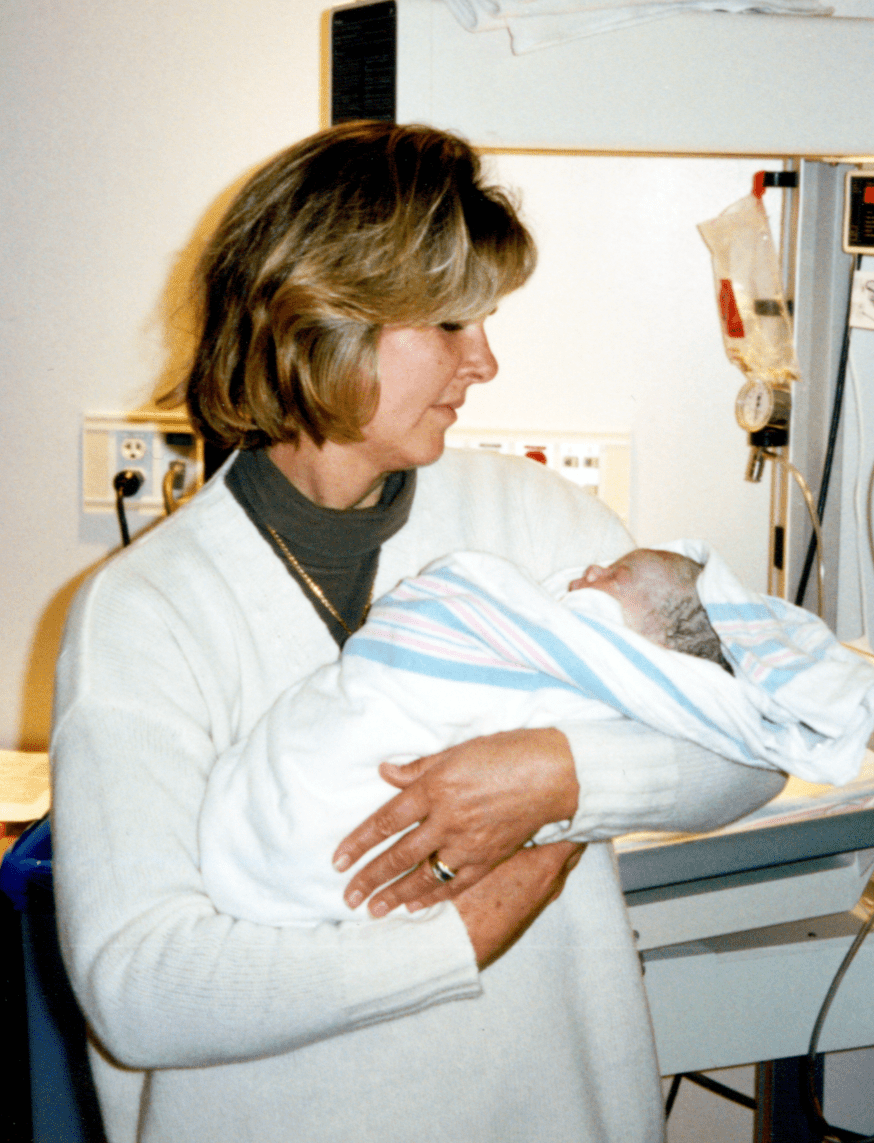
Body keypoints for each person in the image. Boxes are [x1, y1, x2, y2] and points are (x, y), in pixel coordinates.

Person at [51, 121, 785, 1143]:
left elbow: (754, 743)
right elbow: (142, 987)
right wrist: (459, 939)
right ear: (314, 319)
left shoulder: (538, 523)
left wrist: (557, 776)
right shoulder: (149, 611)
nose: (484, 360)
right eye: (447, 323)